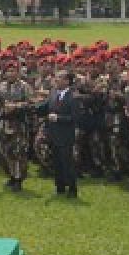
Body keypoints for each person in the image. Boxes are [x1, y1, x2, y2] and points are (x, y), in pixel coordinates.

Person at [46, 69, 81, 197]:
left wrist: (58, 118)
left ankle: (72, 188)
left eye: (60, 77)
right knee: (56, 162)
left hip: (66, 135)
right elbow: (47, 106)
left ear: (67, 81)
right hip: (54, 134)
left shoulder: (73, 97)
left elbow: (75, 117)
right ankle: (59, 186)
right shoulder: (54, 93)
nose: (56, 79)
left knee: (67, 163)